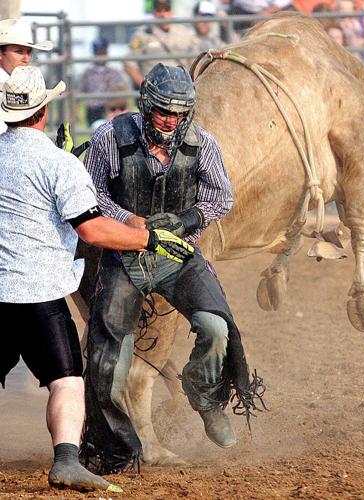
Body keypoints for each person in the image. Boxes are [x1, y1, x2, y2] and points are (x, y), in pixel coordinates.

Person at [0, 66, 194, 492]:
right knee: (67, 380)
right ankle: (67, 460)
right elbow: (93, 230)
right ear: (44, 111)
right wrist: (149, 239)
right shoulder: (59, 163)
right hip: (38, 294)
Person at [81, 63, 262, 473]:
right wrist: (127, 219)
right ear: (147, 106)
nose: (170, 120)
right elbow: (90, 194)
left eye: (179, 113)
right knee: (111, 358)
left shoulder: (205, 145)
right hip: (124, 255)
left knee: (219, 327)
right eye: (163, 111)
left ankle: (203, 390)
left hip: (178, 255)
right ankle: (113, 446)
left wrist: (185, 222)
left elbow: (221, 199)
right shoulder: (109, 137)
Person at [124, 0, 199, 88]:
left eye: (167, 9)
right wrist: (146, 87)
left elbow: (195, 62)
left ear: (172, 11)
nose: (163, 14)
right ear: (154, 13)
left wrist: (193, 86)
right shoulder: (142, 35)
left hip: (182, 90)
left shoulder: (186, 34)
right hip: (155, 91)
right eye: (159, 10)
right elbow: (129, 65)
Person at [0, 17, 53, 134]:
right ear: (0, 54)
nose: (26, 59)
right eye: (19, 52)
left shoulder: (9, 84)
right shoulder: (4, 86)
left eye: (29, 52)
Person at [78, 36, 128, 126]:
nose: (100, 55)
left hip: (111, 108)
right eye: (98, 53)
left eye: (102, 52)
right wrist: (76, 111)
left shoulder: (114, 72)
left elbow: (122, 92)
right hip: (93, 109)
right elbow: (79, 91)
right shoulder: (87, 73)